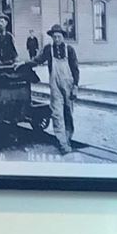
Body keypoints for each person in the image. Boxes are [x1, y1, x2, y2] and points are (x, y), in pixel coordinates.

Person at [42, 22, 82, 155]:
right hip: (55, 86)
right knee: (57, 113)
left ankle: (68, 137)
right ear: (52, 37)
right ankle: (62, 143)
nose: (56, 39)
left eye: (58, 37)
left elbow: (75, 69)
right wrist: (23, 64)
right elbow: (37, 59)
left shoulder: (69, 50)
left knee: (68, 112)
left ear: (63, 37)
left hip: (68, 85)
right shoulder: (48, 49)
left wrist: (75, 86)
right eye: (54, 37)